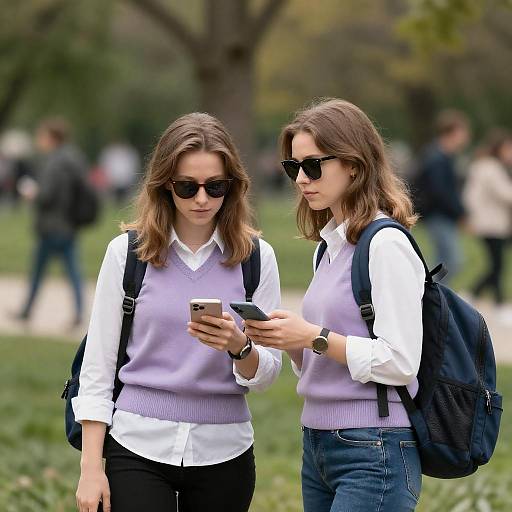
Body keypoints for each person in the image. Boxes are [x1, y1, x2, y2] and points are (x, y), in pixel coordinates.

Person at [73, 113, 281, 512]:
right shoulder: (127, 253)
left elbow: (268, 374)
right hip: (137, 445)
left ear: (232, 187)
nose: (202, 199)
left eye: (215, 186)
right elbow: (98, 367)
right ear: (166, 184)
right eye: (188, 187)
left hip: (226, 452)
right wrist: (90, 468)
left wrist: (240, 348)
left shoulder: (257, 258)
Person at [245, 98, 425, 511]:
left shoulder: (386, 244)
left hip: (375, 445)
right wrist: (289, 339)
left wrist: (314, 336)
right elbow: (324, 354)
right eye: (293, 167)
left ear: (355, 166)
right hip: (318, 442)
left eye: (313, 165)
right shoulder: (329, 247)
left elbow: (400, 361)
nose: (302, 179)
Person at [16, 118, 86, 326]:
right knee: (73, 272)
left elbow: (47, 195)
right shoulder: (74, 159)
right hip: (69, 224)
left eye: (42, 136)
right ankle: (79, 312)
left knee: (39, 271)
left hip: (51, 226)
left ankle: (27, 310)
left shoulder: (54, 162)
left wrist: (31, 194)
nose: (40, 140)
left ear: (51, 137)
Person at [414, 109, 471, 283]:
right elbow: (441, 192)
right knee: (453, 260)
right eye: (463, 132)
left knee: (442, 260)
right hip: (438, 215)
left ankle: (433, 295)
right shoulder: (436, 158)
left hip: (442, 215)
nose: (466, 136)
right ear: (452, 133)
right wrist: (460, 212)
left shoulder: (443, 157)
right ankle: (430, 293)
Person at [464, 129, 512, 323]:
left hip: (488, 223)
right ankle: (497, 304)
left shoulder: (483, 166)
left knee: (496, 264)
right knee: (497, 265)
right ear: (499, 148)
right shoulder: (491, 168)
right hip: (491, 224)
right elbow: (506, 194)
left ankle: (470, 295)